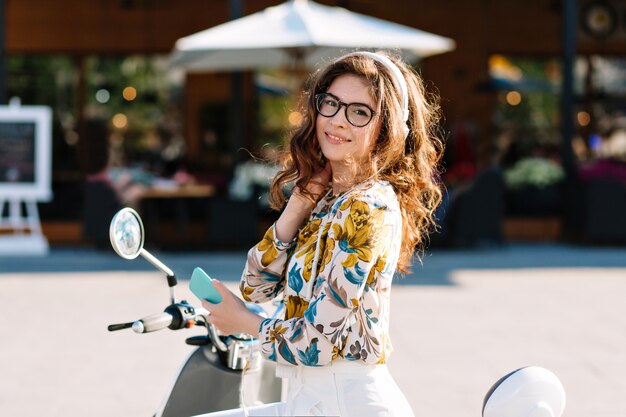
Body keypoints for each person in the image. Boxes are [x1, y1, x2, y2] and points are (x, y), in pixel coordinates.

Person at [200, 50, 443, 416]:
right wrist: (298, 205)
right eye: (331, 103)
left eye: (359, 112)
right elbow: (256, 286)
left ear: (387, 129)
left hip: (348, 403)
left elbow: (315, 341)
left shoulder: (368, 206)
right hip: (309, 399)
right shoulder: (328, 198)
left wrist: (243, 322)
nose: (338, 121)